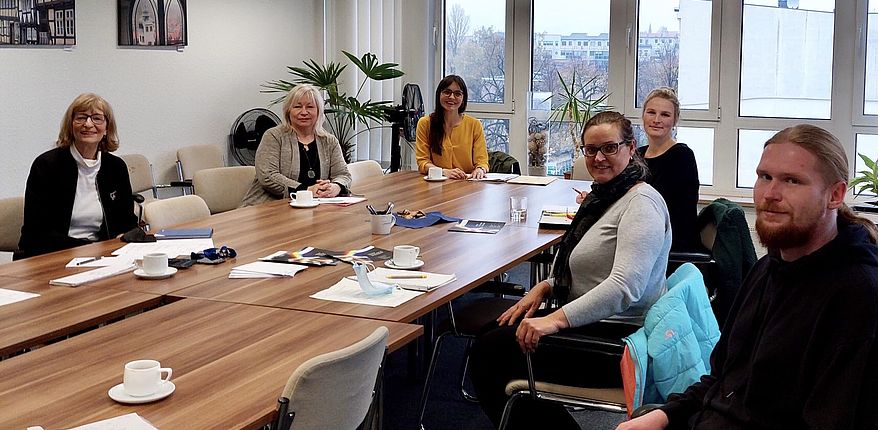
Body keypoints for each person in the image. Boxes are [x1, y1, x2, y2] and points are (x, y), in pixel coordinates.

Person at [618, 125, 878, 430]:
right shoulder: (769, 267)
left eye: (792, 181)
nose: (770, 194)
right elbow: (723, 380)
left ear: (835, 195)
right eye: (764, 177)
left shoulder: (859, 296)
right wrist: (666, 415)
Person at [470, 111, 673, 429]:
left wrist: (552, 320)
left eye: (609, 147)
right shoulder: (606, 195)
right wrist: (547, 285)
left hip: (617, 343)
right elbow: (593, 266)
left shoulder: (641, 204)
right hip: (598, 324)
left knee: (489, 353)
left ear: (631, 148)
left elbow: (624, 287)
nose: (598, 157)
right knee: (490, 335)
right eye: (591, 150)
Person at [18, 93, 138, 258]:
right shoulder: (46, 165)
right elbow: (37, 232)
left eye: (97, 118)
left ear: (107, 128)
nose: (88, 124)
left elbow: (127, 221)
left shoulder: (115, 167)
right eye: (81, 118)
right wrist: (92, 249)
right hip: (53, 255)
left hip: (103, 256)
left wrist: (122, 240)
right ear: (71, 125)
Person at [241, 84, 351, 206]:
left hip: (316, 208)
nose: (304, 112)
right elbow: (268, 176)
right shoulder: (273, 136)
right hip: (270, 208)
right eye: (297, 107)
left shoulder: (329, 141)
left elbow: (343, 174)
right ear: (288, 111)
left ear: (319, 111)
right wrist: (307, 190)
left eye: (310, 107)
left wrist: (336, 187)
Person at [638, 87, 700, 252]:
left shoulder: (682, 156)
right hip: (642, 237)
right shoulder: (637, 155)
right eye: (651, 112)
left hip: (669, 246)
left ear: (675, 120)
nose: (657, 119)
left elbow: (655, 205)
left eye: (665, 114)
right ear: (643, 116)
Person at [415, 75, 489, 180]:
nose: (452, 97)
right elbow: (423, 162)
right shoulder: (425, 123)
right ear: (439, 95)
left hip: (467, 184)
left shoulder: (474, 125)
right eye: (447, 92)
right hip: (437, 184)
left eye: (457, 94)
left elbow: (482, 161)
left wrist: (480, 169)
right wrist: (443, 172)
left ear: (463, 98)